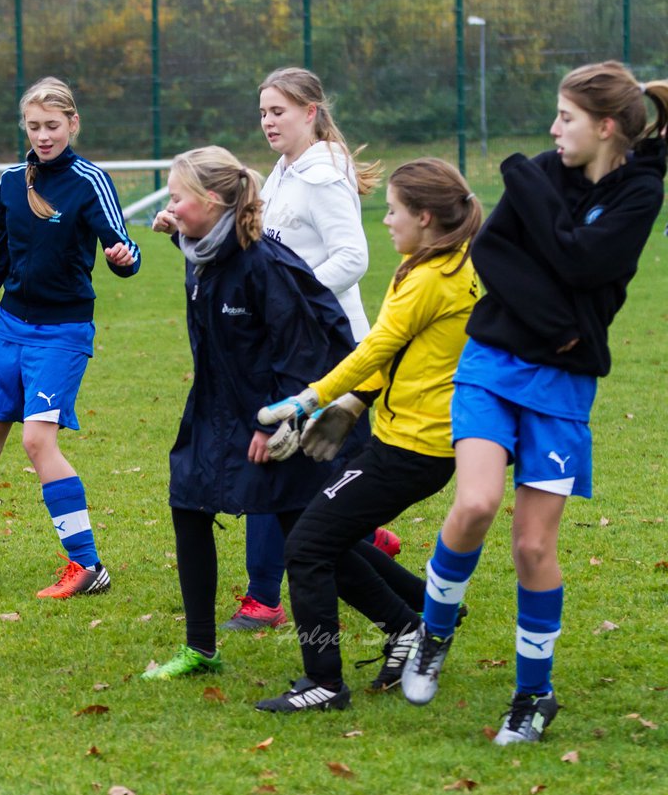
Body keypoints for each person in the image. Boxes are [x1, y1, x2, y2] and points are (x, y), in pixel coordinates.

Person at [399, 62, 668, 743]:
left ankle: (532, 696)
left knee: (531, 544)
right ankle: (432, 634)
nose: (552, 131)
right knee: (476, 504)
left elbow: (585, 263)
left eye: (566, 118)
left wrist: (525, 186)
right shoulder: (542, 170)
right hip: (490, 365)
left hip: (563, 388)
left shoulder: (639, 191)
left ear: (606, 127)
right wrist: (559, 318)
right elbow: (493, 251)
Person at [253, 159, 482, 711]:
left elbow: (375, 348)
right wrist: (355, 405)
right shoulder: (447, 263)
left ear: (425, 217)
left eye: (393, 210)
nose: (385, 221)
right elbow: (400, 352)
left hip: (413, 448)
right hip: (413, 441)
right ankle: (422, 613)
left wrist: (311, 398)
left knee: (307, 547)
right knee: (330, 537)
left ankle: (325, 681)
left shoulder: (427, 278)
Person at [140, 146, 364, 680]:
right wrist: (177, 231)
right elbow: (212, 269)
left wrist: (281, 423)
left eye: (178, 197)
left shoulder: (266, 262)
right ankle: (201, 648)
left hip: (269, 415)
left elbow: (300, 349)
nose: (170, 205)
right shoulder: (206, 248)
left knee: (312, 541)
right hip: (217, 409)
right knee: (188, 504)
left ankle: (409, 616)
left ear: (212, 201)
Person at [0, 77, 140, 599]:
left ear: (73, 123)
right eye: (34, 126)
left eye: (53, 125)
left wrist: (124, 258)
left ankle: (87, 565)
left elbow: (125, 249)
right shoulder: (10, 182)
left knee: (35, 439)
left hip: (63, 331)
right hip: (10, 328)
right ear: (24, 127)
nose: (44, 135)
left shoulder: (91, 180)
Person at [224, 66, 394, 633]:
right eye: (264, 111)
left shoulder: (321, 177)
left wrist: (289, 301)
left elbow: (353, 258)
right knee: (302, 472)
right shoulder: (283, 171)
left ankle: (263, 598)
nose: (268, 120)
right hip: (290, 345)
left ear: (311, 112)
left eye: (279, 111)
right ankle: (368, 542)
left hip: (325, 347)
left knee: (276, 461)